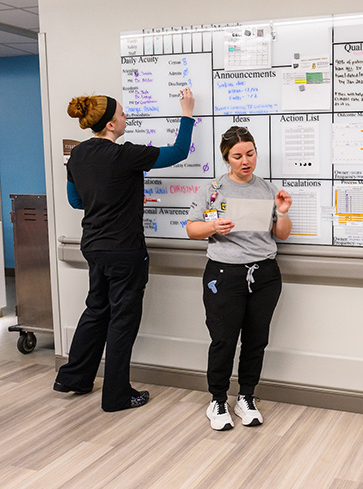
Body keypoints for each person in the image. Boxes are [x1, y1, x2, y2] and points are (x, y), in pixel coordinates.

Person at [54, 88, 196, 412]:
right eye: (121, 113)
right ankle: (117, 395)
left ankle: (73, 377)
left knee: (96, 310)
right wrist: (187, 112)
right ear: (110, 125)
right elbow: (178, 151)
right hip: (125, 252)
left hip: (93, 248)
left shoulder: (77, 155)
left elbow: (76, 201)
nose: (126, 116)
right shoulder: (126, 155)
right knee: (122, 321)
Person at [186, 125, 292, 431]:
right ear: (226, 158)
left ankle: (246, 396)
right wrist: (213, 227)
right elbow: (192, 229)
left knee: (256, 340)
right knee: (223, 340)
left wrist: (282, 212)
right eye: (237, 156)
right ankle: (217, 399)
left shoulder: (269, 190)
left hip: (265, 274)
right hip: (224, 274)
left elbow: (280, 234)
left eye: (250, 154)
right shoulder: (213, 190)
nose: (245, 161)